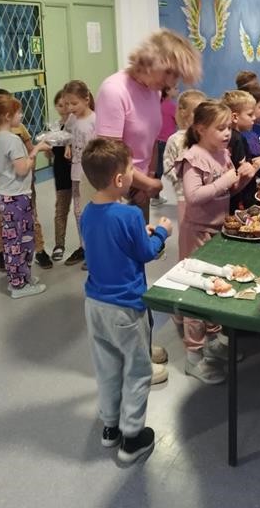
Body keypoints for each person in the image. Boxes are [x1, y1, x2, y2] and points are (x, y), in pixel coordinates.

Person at [95, 28, 202, 385]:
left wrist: (146, 183)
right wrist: (147, 184)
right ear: (151, 62)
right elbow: (109, 157)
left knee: (137, 268)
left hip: (134, 187)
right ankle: (132, 359)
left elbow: (148, 143)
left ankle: (140, 342)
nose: (172, 83)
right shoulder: (115, 90)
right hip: (114, 190)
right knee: (122, 276)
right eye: (170, 73)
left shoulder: (152, 90)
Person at [80, 137, 172, 464]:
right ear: (119, 179)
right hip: (126, 308)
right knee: (137, 370)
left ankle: (110, 427)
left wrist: (138, 233)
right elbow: (145, 253)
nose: (135, 173)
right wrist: (161, 232)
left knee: (106, 367)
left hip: (95, 305)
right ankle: (132, 437)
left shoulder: (87, 213)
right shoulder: (130, 214)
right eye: (132, 168)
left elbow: (109, 242)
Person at [176, 100, 254, 383]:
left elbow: (227, 191)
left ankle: (212, 341)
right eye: (220, 128)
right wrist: (225, 181)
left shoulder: (223, 153)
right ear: (200, 129)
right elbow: (194, 196)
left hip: (218, 230)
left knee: (217, 286)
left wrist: (243, 178)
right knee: (197, 293)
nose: (227, 133)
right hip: (197, 232)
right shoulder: (193, 158)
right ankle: (193, 356)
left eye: (228, 128)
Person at [0, 94, 50, 298]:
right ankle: (18, 285)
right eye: (18, 112)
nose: (22, 116)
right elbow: (22, 169)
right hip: (16, 198)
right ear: (7, 115)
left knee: (17, 240)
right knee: (18, 242)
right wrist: (36, 150)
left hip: (6, 196)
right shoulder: (11, 139)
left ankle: (23, 277)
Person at [221, 89, 260, 211]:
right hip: (239, 202)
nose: (254, 118)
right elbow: (242, 173)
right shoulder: (237, 139)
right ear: (235, 117)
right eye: (249, 114)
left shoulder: (236, 137)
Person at [162, 89, 206, 247]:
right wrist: (185, 177)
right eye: (197, 112)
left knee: (204, 237)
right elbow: (168, 167)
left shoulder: (205, 137)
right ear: (184, 113)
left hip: (206, 196)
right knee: (188, 238)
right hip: (184, 196)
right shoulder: (175, 139)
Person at [63, 80, 96, 267]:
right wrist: (68, 145)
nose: (70, 108)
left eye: (74, 103)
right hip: (76, 172)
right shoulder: (72, 119)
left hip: (91, 175)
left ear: (86, 99)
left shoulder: (95, 120)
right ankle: (84, 246)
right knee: (78, 212)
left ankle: (94, 250)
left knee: (91, 211)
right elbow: (68, 133)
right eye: (67, 104)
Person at [50, 90, 72, 262]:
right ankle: (59, 244)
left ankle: (85, 246)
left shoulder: (77, 124)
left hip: (77, 171)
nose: (64, 108)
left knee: (81, 211)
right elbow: (51, 152)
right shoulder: (55, 128)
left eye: (67, 104)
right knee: (61, 210)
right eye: (60, 105)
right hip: (61, 173)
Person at [151, 85, 178, 207]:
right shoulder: (172, 107)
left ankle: (154, 195)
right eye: (175, 88)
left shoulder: (157, 105)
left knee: (156, 168)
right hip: (165, 142)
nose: (177, 90)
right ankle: (155, 196)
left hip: (156, 141)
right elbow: (179, 120)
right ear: (167, 90)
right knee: (160, 169)